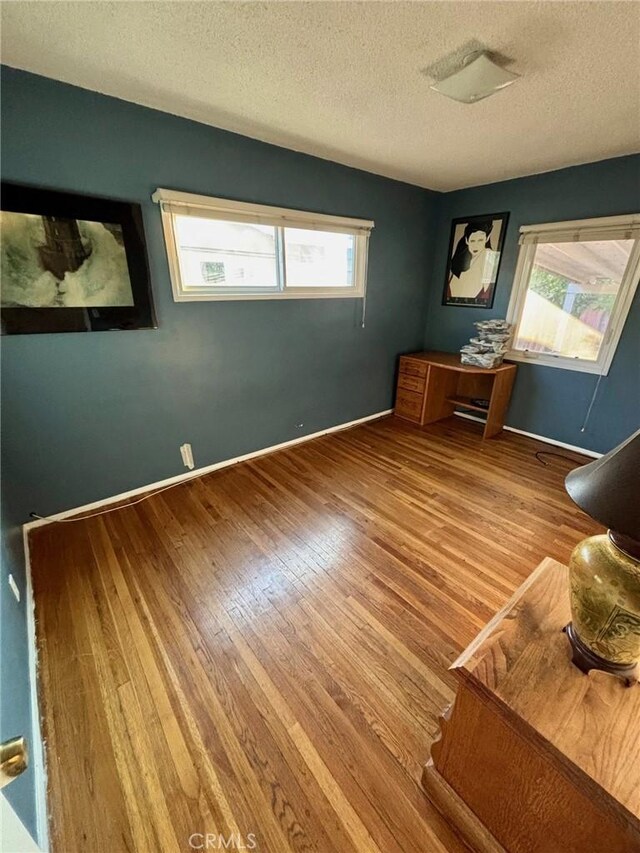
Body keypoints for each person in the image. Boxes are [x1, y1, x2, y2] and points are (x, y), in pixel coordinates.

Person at [448, 220, 497, 301]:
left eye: (480, 240)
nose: (476, 246)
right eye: (472, 241)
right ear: (467, 240)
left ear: (487, 238)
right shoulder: (461, 260)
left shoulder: (488, 255)